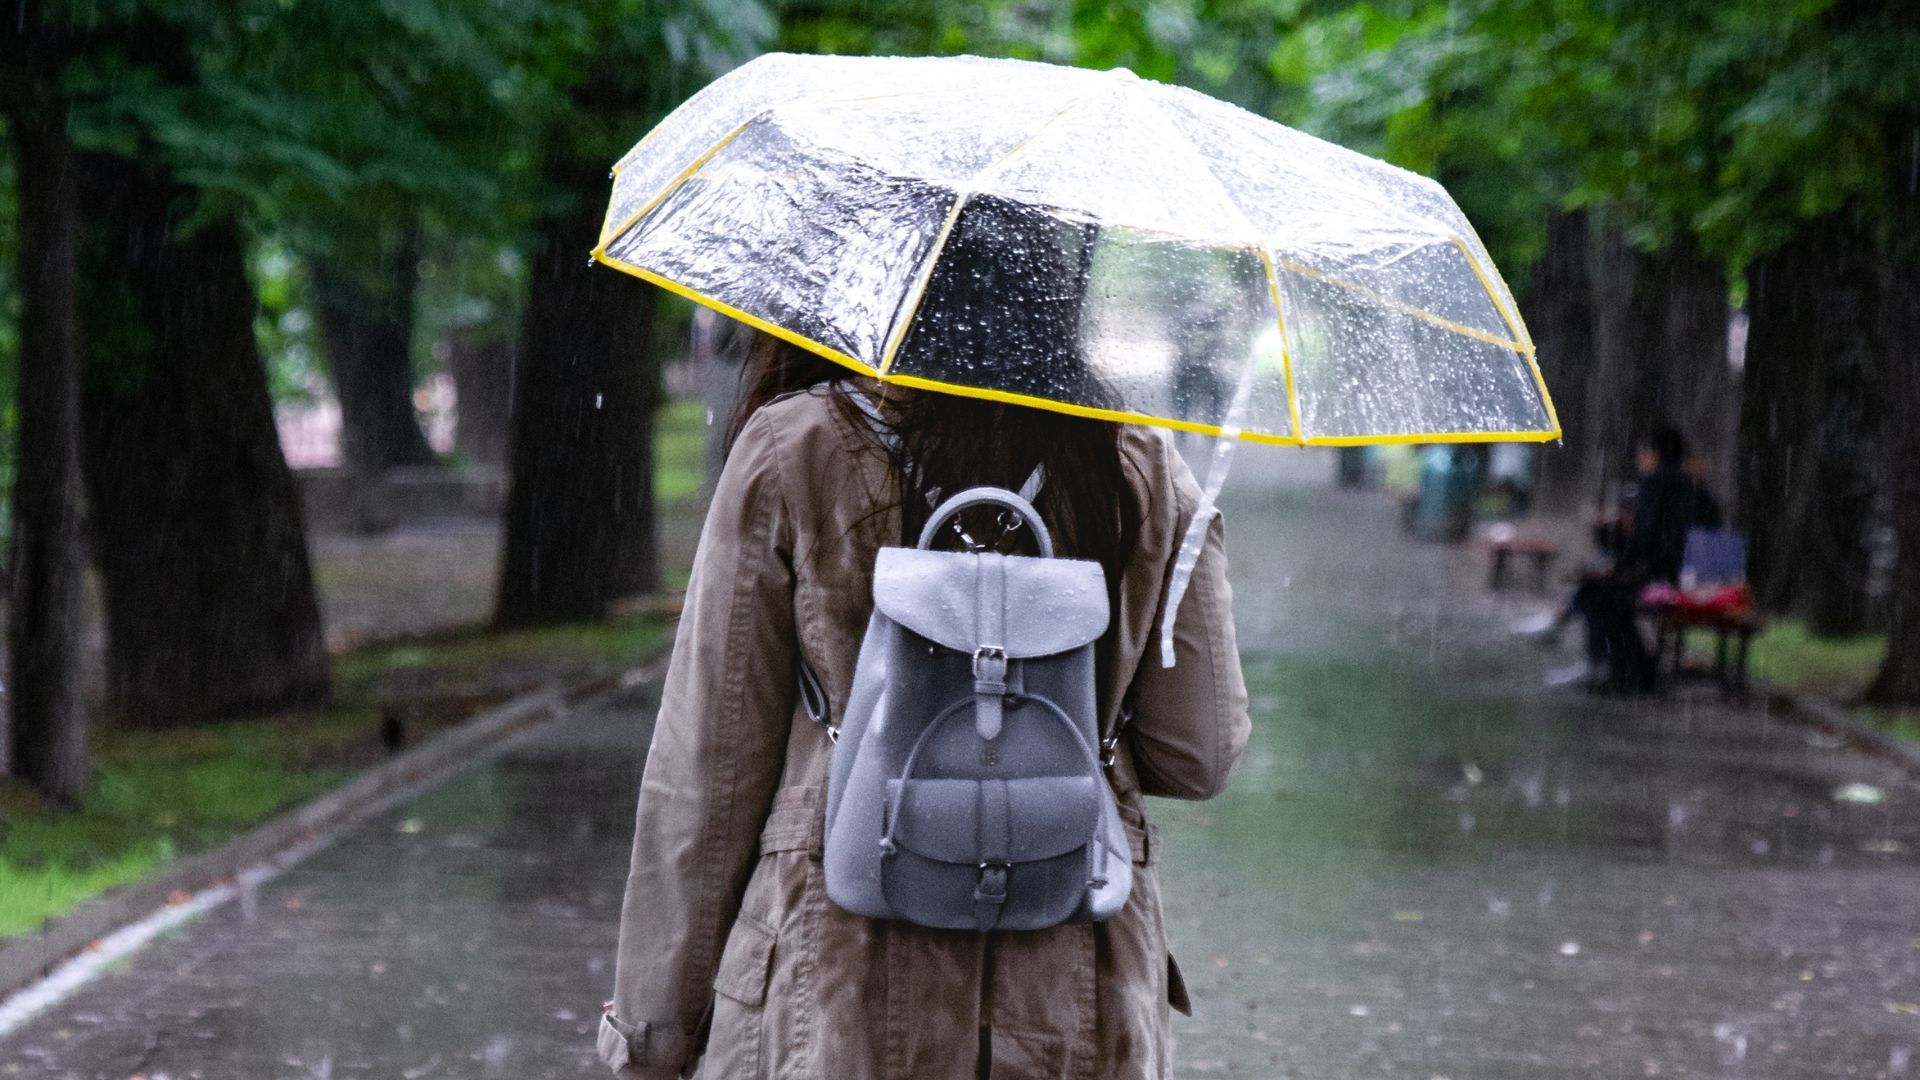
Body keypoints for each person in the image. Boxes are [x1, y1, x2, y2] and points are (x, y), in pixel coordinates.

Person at [597, 330, 1251, 1080]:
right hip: (1077, 973)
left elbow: (708, 775)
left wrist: (654, 1037)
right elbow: (1198, 752)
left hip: (840, 970)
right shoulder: (1133, 463)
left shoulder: (796, 448)